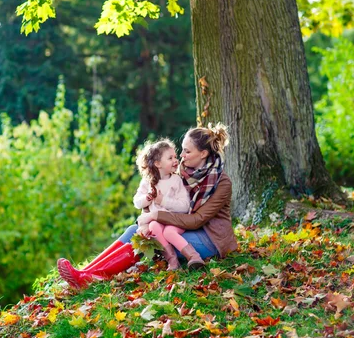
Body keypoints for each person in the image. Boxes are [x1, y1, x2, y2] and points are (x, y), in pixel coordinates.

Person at [57, 123, 238, 289]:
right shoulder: (182, 169)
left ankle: (89, 278)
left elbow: (197, 220)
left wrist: (154, 217)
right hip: (177, 228)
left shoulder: (221, 183)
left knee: (149, 235)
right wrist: (146, 216)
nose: (181, 156)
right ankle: (83, 274)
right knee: (135, 230)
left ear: (203, 154)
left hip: (209, 239)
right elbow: (157, 190)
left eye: (187, 152)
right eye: (181, 151)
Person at [133, 139, 204, 270]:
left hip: (175, 221)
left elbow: (184, 206)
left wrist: (163, 201)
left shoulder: (176, 180)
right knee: (154, 225)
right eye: (170, 158)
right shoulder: (147, 182)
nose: (175, 160)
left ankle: (194, 257)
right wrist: (147, 198)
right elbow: (137, 202)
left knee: (169, 232)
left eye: (175, 157)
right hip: (157, 222)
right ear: (157, 163)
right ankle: (173, 261)